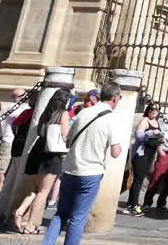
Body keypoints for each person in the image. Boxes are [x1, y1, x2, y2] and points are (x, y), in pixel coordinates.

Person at [42, 82, 126, 245]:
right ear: (115, 98)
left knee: (61, 213)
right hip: (91, 173)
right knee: (78, 218)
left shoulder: (83, 113)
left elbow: (68, 140)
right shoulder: (112, 119)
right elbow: (115, 153)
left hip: (71, 169)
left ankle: (47, 243)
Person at [12, 88, 73, 236]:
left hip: (38, 149)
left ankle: (20, 211)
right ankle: (31, 226)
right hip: (51, 153)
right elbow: (65, 136)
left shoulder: (46, 112)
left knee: (35, 189)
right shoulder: (63, 114)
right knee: (43, 192)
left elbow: (39, 131)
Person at [125, 103, 162, 215]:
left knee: (139, 179)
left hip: (150, 153)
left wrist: (160, 138)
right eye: (152, 109)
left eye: (157, 109)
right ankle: (134, 205)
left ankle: (130, 204)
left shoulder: (156, 122)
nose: (154, 111)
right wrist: (150, 133)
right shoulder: (144, 121)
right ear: (148, 110)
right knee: (138, 179)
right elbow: (138, 136)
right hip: (141, 153)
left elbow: (156, 136)